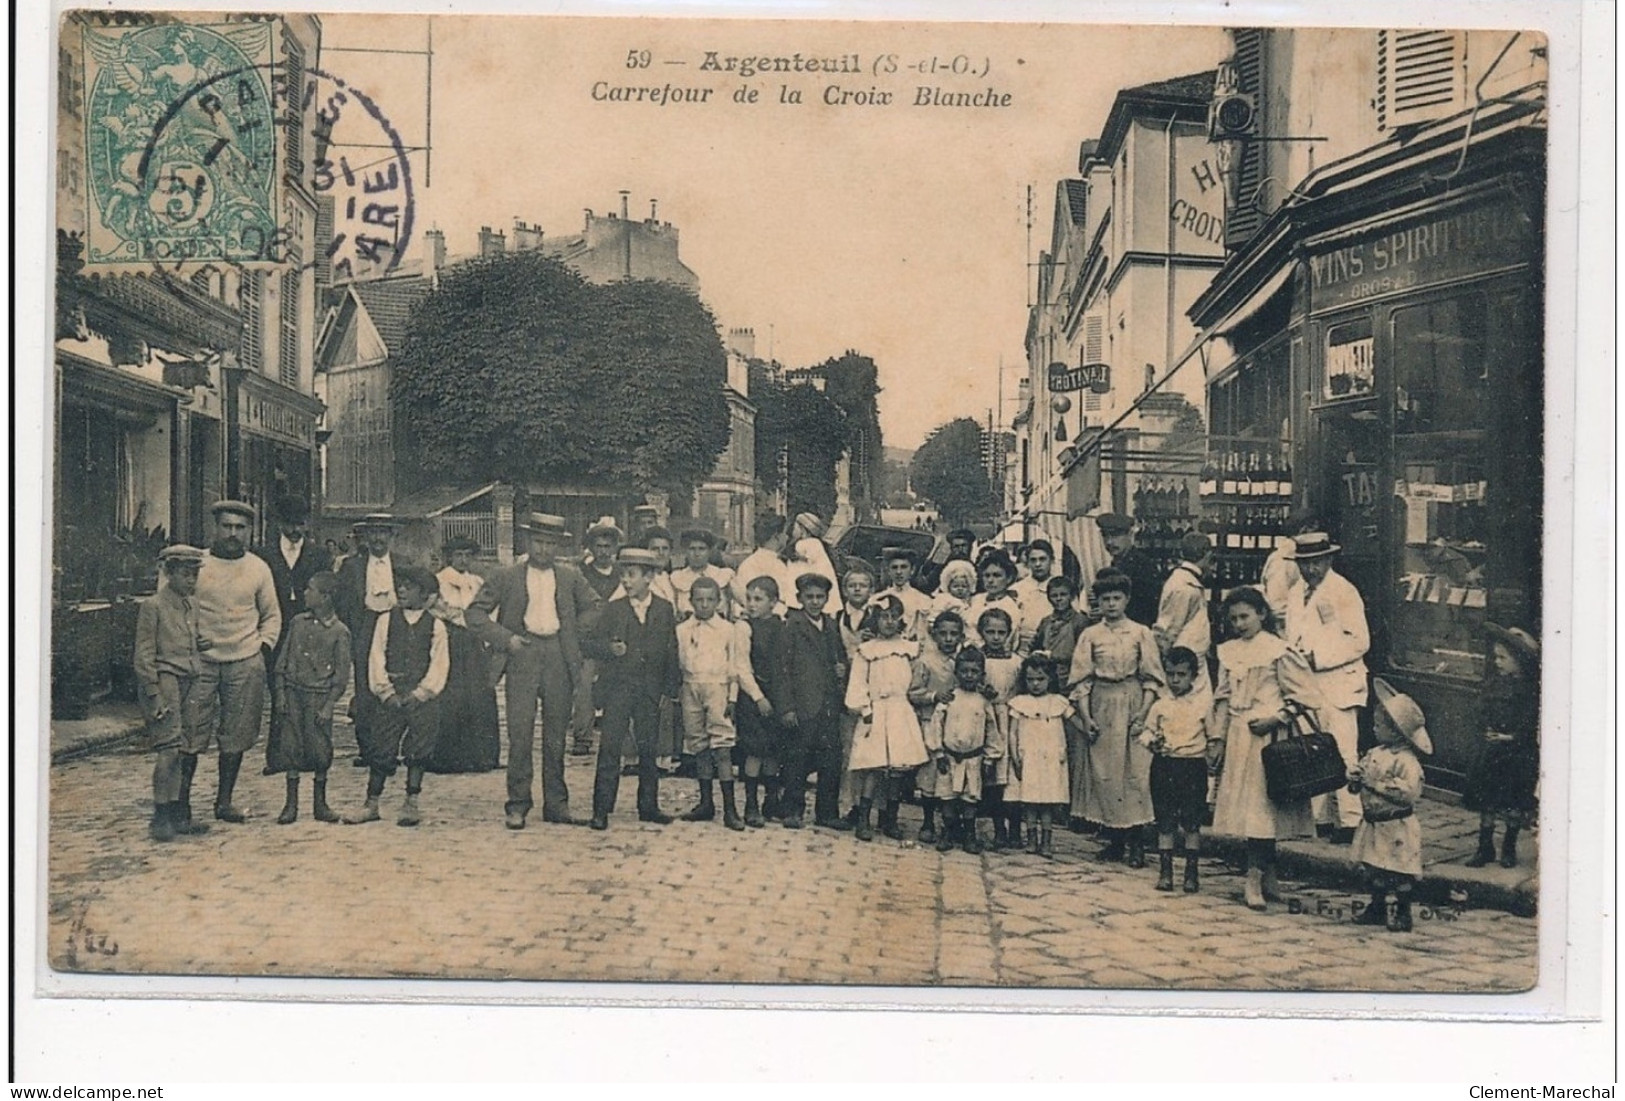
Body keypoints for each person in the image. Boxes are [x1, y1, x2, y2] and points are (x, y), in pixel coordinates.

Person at [467, 513, 603, 829]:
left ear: (558, 545)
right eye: (538, 542)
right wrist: (506, 639)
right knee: (520, 733)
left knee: (556, 735)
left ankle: (556, 804)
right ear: (528, 542)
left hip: (558, 655)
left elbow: (596, 606)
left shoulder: (570, 577)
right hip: (522, 655)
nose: (543, 549)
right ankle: (517, 805)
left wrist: (571, 632)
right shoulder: (506, 575)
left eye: (550, 543)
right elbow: (474, 613)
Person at [1210, 587, 1322, 911]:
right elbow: (1221, 698)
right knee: (1251, 813)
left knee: (1263, 811)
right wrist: (1217, 738)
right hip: (1239, 737)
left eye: (1245, 616)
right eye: (1233, 619)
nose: (1239, 624)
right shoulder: (1228, 652)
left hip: (1268, 740)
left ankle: (1255, 878)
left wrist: (1277, 718)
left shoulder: (1278, 650)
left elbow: (1306, 696)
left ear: (1262, 613)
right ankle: (1267, 876)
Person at [1067, 571, 1165, 867]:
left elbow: (1152, 677)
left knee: (1135, 772)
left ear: (1127, 600)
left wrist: (1144, 712)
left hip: (1133, 700)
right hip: (1102, 703)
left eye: (1116, 598)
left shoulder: (1140, 633)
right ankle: (1114, 840)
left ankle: (1136, 842)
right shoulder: (1091, 635)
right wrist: (1086, 717)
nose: (1111, 604)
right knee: (1105, 772)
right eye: (1105, 599)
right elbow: (1081, 680)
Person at [194, 500, 282, 824]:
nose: (233, 533)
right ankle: (183, 803)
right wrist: (191, 639)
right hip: (200, 662)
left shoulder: (258, 568)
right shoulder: (197, 565)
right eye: (226, 526)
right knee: (190, 731)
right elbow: (177, 608)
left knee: (237, 733)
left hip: (244, 660)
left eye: (239, 528)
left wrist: (262, 647)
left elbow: (272, 615)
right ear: (214, 528)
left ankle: (224, 801)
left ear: (248, 531)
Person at [344, 564, 449, 827]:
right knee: (381, 746)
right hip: (391, 694)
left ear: (424, 594)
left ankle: (411, 802)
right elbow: (376, 658)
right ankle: (371, 803)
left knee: (419, 749)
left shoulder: (436, 626)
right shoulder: (385, 620)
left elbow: (439, 665)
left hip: (421, 698)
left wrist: (422, 693)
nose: (402, 590)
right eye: (400, 585)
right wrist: (385, 692)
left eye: (409, 587)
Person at [1282, 532, 1370, 844]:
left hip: (1339, 683)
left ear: (1329, 559)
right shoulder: (1296, 592)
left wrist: (1317, 658)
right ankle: (1322, 818)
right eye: (1304, 564)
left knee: (1344, 749)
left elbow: (1360, 641)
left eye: (1316, 563)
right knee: (1315, 750)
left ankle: (1350, 819)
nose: (1310, 570)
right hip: (1308, 684)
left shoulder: (1344, 592)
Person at [587, 548, 681, 830]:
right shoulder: (614, 609)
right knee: (610, 748)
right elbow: (590, 643)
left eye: (632, 575)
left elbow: (671, 650)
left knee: (648, 749)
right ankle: (601, 810)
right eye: (623, 575)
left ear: (649, 577)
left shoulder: (664, 609)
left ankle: (648, 806)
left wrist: (669, 689)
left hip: (650, 691)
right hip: (618, 690)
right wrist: (609, 649)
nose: (626, 581)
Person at [133, 545, 212, 841]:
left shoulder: (191, 604)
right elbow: (143, 655)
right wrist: (153, 694)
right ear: (168, 573)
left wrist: (199, 644)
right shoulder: (153, 606)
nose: (191, 580)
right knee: (167, 750)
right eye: (184, 574)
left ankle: (179, 815)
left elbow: (187, 638)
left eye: (194, 574)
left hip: (191, 678)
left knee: (183, 749)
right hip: (166, 681)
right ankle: (160, 816)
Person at [845, 594, 932, 842]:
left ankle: (890, 819)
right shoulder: (867, 651)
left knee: (897, 769)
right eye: (884, 616)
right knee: (873, 768)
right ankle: (864, 818)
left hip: (900, 710)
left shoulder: (908, 649)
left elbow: (916, 679)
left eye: (895, 617)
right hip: (876, 710)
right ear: (875, 620)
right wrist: (864, 709)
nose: (890, 622)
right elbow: (858, 683)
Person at [256, 495, 333, 774]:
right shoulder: (263, 555)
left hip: (308, 630)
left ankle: (310, 755)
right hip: (275, 630)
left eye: (301, 524)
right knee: (280, 692)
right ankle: (278, 757)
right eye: (290, 524)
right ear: (279, 524)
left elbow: (326, 593)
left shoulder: (319, 555)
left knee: (309, 690)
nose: (296, 530)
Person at [267, 572, 351, 824]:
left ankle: (320, 804)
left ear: (325, 597)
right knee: (291, 745)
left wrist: (328, 706)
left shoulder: (339, 632)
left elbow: (341, 675)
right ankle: (290, 805)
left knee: (320, 748)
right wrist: (281, 693)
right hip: (294, 693)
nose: (304, 593)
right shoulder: (297, 623)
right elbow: (282, 662)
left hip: (318, 697)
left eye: (310, 589)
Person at [1348, 678, 1432, 933]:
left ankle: (1403, 911)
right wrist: (1354, 780)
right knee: (1373, 868)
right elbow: (1361, 780)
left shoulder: (1406, 762)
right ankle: (1377, 906)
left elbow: (1408, 794)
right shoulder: (1375, 753)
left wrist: (1374, 784)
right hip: (1374, 823)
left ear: (1396, 731)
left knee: (1398, 870)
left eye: (1379, 725)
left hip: (1396, 826)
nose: (1374, 729)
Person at [675, 576, 757, 831]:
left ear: (718, 601)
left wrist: (732, 698)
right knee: (699, 745)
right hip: (691, 686)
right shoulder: (682, 630)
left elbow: (734, 667)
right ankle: (705, 802)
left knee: (722, 746)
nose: (704, 605)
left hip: (718, 687)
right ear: (691, 601)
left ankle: (730, 809)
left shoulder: (727, 630)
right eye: (699, 600)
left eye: (710, 599)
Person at [1136, 646, 1215, 892]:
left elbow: (1213, 736)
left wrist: (1212, 757)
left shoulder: (1203, 705)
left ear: (1194, 675)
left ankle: (1191, 874)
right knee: (1165, 820)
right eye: (1170, 674)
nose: (1175, 680)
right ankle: (1165, 872)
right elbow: (1146, 732)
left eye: (1181, 675)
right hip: (1165, 765)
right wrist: (1153, 742)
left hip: (1192, 766)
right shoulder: (1160, 705)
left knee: (1192, 821)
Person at [1462, 624, 1540, 869]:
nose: (1498, 662)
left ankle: (1509, 847)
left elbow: (1531, 723)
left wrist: (1511, 737)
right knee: (1488, 800)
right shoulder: (1494, 683)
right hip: (1492, 752)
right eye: (1496, 657)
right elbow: (1481, 709)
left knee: (1513, 802)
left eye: (1503, 658)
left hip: (1516, 754)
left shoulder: (1530, 690)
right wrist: (1484, 728)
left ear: (1519, 661)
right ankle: (1485, 848)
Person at [424, 536, 501, 774]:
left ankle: (480, 756)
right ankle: (448, 757)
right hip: (450, 639)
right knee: (451, 696)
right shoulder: (439, 580)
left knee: (478, 695)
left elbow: (489, 609)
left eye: (468, 555)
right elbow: (436, 609)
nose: (463, 559)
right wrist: (462, 618)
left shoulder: (477, 581)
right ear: (450, 556)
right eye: (458, 555)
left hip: (475, 643)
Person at [778, 572, 847, 830]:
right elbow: (782, 671)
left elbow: (838, 658)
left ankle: (827, 812)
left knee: (831, 760)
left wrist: (842, 668)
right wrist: (787, 707)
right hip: (803, 704)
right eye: (810, 597)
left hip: (828, 704)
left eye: (820, 597)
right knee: (797, 759)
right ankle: (792, 809)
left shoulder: (830, 625)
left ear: (827, 599)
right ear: (799, 598)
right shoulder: (792, 627)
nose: (815, 602)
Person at [333, 514, 400, 769]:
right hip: (365, 629)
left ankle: (391, 749)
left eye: (384, 533)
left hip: (394, 631)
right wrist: (354, 632)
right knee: (365, 689)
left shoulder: (402, 565)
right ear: (366, 536)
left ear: (391, 536)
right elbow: (342, 603)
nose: (378, 538)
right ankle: (368, 749)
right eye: (374, 533)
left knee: (395, 686)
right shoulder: (352, 566)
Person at [924, 647, 1004, 855]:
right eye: (965, 671)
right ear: (956, 673)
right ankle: (947, 832)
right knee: (947, 797)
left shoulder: (983, 701)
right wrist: (939, 753)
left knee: (970, 798)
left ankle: (970, 835)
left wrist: (990, 759)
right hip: (949, 757)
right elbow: (936, 726)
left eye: (974, 671)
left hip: (973, 759)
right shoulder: (950, 699)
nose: (969, 676)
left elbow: (992, 730)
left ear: (981, 675)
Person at [1006, 654, 1081, 860]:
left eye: (1040, 679)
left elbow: (1075, 720)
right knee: (1030, 800)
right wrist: (1015, 756)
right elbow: (1012, 732)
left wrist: (1089, 731)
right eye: (1030, 680)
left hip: (1051, 757)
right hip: (1028, 756)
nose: (1035, 684)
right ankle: (1031, 839)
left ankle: (1046, 841)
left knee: (1047, 801)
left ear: (1050, 679)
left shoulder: (1058, 702)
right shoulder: (1020, 703)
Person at [736, 575, 792, 828]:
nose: (751, 604)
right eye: (749, 598)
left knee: (773, 750)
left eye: (758, 599)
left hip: (777, 695)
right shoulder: (744, 627)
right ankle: (751, 804)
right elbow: (741, 668)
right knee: (755, 750)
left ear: (773, 602)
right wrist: (758, 697)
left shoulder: (782, 626)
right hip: (753, 696)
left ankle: (771, 801)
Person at [571, 517, 627, 757]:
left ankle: (619, 736)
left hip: (614, 639)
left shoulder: (623, 574)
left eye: (608, 546)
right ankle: (582, 736)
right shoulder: (580, 574)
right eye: (599, 546)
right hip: (588, 642)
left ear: (615, 548)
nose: (604, 552)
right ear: (591, 548)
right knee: (583, 686)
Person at [907, 609, 964, 845]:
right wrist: (933, 696)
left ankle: (952, 825)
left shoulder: (965, 659)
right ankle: (928, 820)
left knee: (954, 776)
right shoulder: (926, 661)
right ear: (935, 635)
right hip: (931, 723)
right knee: (931, 774)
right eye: (943, 634)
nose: (948, 639)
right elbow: (912, 693)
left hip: (959, 725)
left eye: (954, 634)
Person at [833, 561, 879, 827]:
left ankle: (869, 808)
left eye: (862, 585)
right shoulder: (837, 618)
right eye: (852, 585)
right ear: (844, 589)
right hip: (844, 694)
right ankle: (847, 806)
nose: (857, 590)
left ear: (871, 590)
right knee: (847, 750)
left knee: (869, 753)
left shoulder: (878, 617)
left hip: (870, 693)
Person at [975, 606, 1024, 849]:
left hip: (1009, 718)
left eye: (1001, 632)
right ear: (981, 632)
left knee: (1012, 779)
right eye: (990, 631)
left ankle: (1014, 829)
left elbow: (1020, 690)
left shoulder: (1016, 662)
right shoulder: (976, 658)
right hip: (984, 718)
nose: (995, 637)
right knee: (992, 778)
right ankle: (998, 829)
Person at [1153, 531, 1214, 685]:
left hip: (1192, 661)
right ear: (1207, 555)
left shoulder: (1187, 581)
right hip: (1183, 665)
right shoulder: (1183, 586)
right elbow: (1170, 628)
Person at [1094, 513, 1162, 627]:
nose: (1109, 542)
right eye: (1105, 536)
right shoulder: (1117, 563)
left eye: (1115, 536)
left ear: (1130, 535)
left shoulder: (1142, 565)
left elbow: (1147, 609)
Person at [1259, 510, 1319, 633]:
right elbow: (1277, 605)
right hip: (1285, 632)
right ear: (1305, 530)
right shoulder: (1282, 560)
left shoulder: (1302, 557)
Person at [965, 549, 1026, 653]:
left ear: (1009, 578)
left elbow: (1009, 643)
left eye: (997, 575)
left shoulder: (1010, 607)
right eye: (987, 575)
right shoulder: (976, 599)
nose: (990, 580)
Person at [784, 512, 844, 614]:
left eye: (795, 526)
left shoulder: (805, 544)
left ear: (802, 528)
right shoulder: (816, 544)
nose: (793, 530)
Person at [731, 515, 792, 614]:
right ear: (776, 536)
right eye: (785, 533)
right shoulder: (776, 565)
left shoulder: (748, 563)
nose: (787, 537)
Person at [671, 528, 736, 621]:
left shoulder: (724, 575)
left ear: (709, 551)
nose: (697, 554)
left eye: (702, 549)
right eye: (692, 549)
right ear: (686, 552)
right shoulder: (676, 578)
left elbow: (737, 604)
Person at [1011, 540, 1062, 652]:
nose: (1038, 564)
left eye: (1042, 559)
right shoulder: (1017, 589)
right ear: (1027, 563)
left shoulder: (1062, 587)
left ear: (1052, 560)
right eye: (1033, 560)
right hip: (1022, 648)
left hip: (1054, 646)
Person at [877, 546, 932, 640]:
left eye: (903, 567)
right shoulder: (878, 598)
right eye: (894, 567)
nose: (899, 572)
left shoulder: (923, 600)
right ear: (889, 571)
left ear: (912, 570)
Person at [917, 528, 977, 595]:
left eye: (964, 546)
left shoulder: (976, 570)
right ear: (951, 549)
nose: (960, 549)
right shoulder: (941, 568)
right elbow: (927, 587)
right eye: (956, 546)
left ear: (970, 548)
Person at [927, 559, 977, 635]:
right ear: (949, 586)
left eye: (964, 586)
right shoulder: (945, 599)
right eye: (955, 586)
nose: (960, 589)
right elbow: (935, 613)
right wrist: (932, 625)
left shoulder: (970, 601)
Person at [640, 526, 679, 610]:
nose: (661, 553)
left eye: (665, 549)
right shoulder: (639, 580)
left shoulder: (670, 580)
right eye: (655, 549)